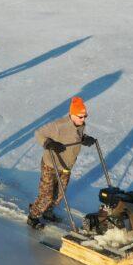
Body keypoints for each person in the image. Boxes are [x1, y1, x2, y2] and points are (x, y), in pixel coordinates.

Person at [26, 96, 96, 229]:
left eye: (85, 116)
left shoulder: (80, 126)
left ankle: (47, 212)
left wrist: (85, 139)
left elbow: (76, 136)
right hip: (51, 165)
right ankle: (33, 216)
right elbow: (39, 133)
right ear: (72, 114)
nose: (84, 119)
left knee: (59, 194)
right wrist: (49, 143)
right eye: (81, 116)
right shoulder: (59, 125)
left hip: (66, 166)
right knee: (46, 195)